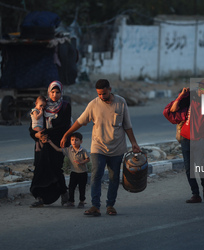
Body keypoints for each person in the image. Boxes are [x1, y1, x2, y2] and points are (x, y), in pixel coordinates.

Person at [60, 79, 140, 217]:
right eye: (99, 94)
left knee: (114, 177)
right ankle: (95, 206)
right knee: (96, 175)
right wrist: (66, 134)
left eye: (104, 93)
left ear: (110, 89)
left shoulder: (121, 102)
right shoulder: (93, 105)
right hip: (98, 147)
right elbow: (80, 121)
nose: (102, 97)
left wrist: (134, 142)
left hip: (117, 148)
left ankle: (110, 205)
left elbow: (127, 125)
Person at [171, 79, 204, 203]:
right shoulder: (190, 96)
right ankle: (195, 194)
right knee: (189, 168)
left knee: (200, 165)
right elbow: (174, 109)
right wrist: (180, 95)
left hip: (201, 136)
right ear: (200, 88)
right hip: (185, 136)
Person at [29, 81, 71, 207]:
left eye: (57, 92)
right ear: (49, 92)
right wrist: (37, 135)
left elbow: (64, 126)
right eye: (52, 92)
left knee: (56, 168)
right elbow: (33, 126)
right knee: (40, 169)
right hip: (42, 143)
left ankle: (64, 193)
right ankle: (40, 197)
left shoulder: (65, 106)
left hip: (57, 143)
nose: (55, 95)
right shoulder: (43, 105)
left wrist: (45, 133)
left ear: (61, 92)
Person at [48, 132, 90, 208]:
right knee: (71, 187)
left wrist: (82, 162)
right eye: (72, 140)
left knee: (82, 188)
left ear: (81, 141)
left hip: (83, 173)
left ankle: (82, 201)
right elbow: (58, 149)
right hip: (74, 172)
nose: (74, 142)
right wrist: (50, 142)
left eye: (76, 140)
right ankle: (71, 201)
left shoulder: (83, 150)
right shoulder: (68, 150)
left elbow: (88, 159)